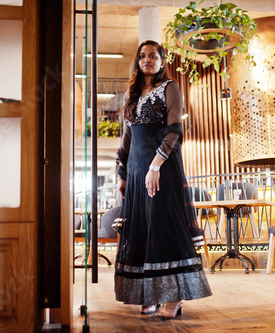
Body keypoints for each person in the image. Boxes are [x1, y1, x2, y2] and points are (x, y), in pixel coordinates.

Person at [114, 40, 212, 318]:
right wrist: (122, 173)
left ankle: (173, 297)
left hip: (161, 165)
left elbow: (174, 130)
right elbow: (127, 136)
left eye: (153, 56)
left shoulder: (169, 88)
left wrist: (155, 165)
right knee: (142, 228)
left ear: (162, 61)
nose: (147, 60)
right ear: (137, 60)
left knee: (164, 224)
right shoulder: (130, 94)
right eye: (143, 56)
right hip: (135, 168)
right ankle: (151, 294)